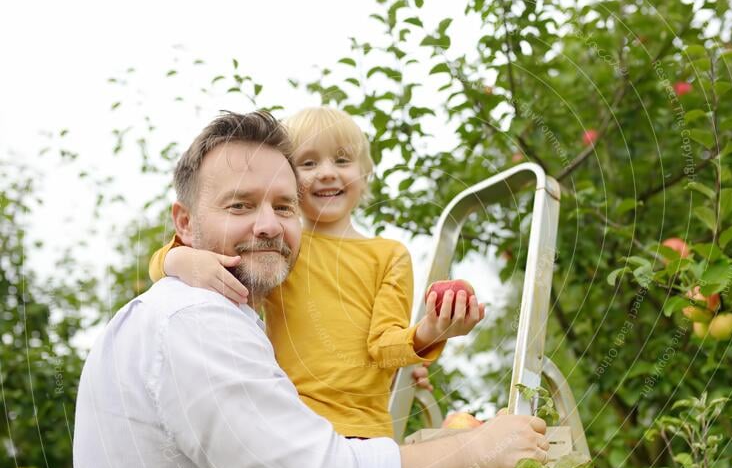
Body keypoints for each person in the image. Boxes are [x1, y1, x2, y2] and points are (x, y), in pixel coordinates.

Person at [72, 110, 549, 468]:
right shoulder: (198, 318)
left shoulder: (240, 295)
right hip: (338, 456)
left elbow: (374, 344)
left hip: (360, 431)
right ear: (184, 222)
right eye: (239, 204)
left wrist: (419, 342)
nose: (267, 225)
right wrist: (477, 448)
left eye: (284, 206)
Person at [149, 106, 484, 438]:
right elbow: (166, 262)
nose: (326, 173)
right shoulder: (282, 244)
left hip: (363, 429)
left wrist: (430, 330)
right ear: (287, 180)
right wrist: (179, 260)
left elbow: (383, 347)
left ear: (365, 174)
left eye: (342, 160)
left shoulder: (390, 255)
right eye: (308, 163)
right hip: (289, 419)